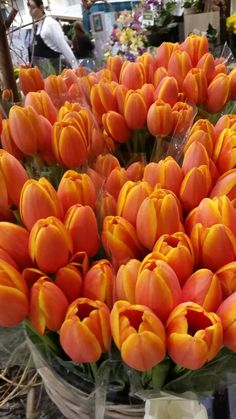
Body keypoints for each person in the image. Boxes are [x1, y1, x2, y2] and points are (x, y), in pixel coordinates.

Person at [27, 0, 76, 76]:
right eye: (29, 9)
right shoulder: (35, 26)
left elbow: (64, 47)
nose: (30, 12)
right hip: (41, 77)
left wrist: (75, 67)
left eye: (33, 8)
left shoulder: (50, 24)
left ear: (41, 8)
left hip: (55, 77)